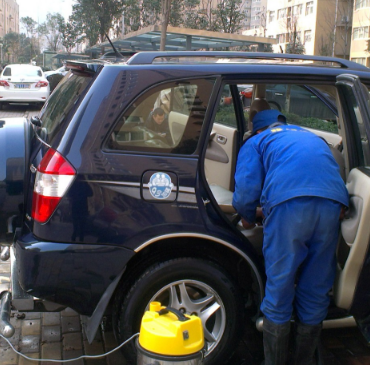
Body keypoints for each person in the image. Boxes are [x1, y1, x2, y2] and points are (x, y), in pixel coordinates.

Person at [232, 109, 349, 365]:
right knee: (316, 285)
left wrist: (249, 217)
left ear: (258, 129)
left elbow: (244, 193)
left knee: (281, 284)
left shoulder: (257, 141)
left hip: (289, 207)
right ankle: (303, 360)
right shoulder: (312, 137)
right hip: (332, 206)